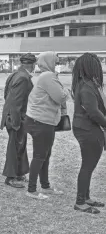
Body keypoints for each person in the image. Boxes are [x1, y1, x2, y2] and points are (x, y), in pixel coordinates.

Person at [24, 51, 70, 199]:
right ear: (48, 62)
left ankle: (45, 186)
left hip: (41, 120)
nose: (58, 65)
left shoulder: (45, 76)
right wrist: (66, 91)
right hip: (42, 122)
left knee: (45, 155)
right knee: (40, 155)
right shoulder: (48, 77)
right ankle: (31, 190)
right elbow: (60, 97)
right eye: (56, 63)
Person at [71, 53, 106, 214]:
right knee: (87, 165)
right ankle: (80, 202)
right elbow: (93, 112)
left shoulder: (84, 84)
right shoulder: (86, 86)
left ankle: (85, 197)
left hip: (85, 127)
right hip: (87, 129)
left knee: (88, 165)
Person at [0, 53, 37, 188]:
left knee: (20, 146)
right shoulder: (23, 78)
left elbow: (6, 95)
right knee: (15, 147)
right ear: (32, 64)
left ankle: (19, 173)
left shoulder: (15, 75)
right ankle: (10, 177)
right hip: (16, 118)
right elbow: (16, 102)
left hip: (12, 116)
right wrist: (16, 121)